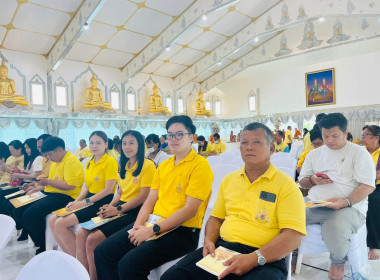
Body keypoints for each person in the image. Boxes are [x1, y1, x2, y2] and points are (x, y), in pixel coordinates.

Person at [162, 122, 306, 280]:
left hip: (264, 256)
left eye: (256, 142)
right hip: (223, 250)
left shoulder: (287, 186)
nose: (249, 147)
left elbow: (292, 237)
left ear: (271, 149)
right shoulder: (229, 180)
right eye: (244, 142)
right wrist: (209, 240)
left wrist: (253, 259)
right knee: (172, 277)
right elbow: (216, 218)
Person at [94, 115, 213, 280]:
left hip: (182, 230)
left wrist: (151, 231)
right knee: (103, 251)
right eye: (170, 134)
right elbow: (150, 201)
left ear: (191, 137)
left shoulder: (201, 166)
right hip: (153, 221)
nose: (173, 139)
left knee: (128, 265)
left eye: (179, 134)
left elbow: (190, 211)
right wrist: (137, 226)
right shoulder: (164, 166)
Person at [298, 113, 376, 280]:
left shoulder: (359, 153)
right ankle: (292, 256)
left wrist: (345, 201)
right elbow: (302, 182)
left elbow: (367, 186)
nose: (329, 140)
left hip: (351, 207)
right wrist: (312, 180)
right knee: (288, 219)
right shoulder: (314, 154)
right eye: (325, 136)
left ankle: (337, 263)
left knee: (336, 226)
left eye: (335, 135)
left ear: (345, 132)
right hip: (316, 204)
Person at [76, 130, 156, 280]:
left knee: (93, 239)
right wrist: (109, 206)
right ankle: (88, 275)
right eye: (124, 143)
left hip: (134, 211)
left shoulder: (148, 166)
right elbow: (119, 192)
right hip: (120, 207)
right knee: (82, 233)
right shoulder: (125, 165)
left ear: (140, 145)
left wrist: (118, 209)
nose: (127, 147)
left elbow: (143, 196)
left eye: (132, 143)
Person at [48, 132, 118, 257]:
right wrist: (76, 202)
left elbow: (108, 190)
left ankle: (77, 260)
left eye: (98, 143)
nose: (94, 146)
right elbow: (86, 187)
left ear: (106, 144)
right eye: (91, 143)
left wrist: (84, 202)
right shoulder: (90, 162)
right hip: (88, 199)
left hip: (102, 201)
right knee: (53, 219)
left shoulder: (110, 162)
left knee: (60, 223)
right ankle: (69, 256)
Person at [17, 137, 84, 254]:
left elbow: (70, 186)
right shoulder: (56, 161)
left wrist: (47, 182)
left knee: (30, 215)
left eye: (50, 154)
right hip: (52, 192)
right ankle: (40, 242)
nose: (49, 158)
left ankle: (43, 245)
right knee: (20, 209)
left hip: (66, 196)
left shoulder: (71, 161)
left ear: (59, 150)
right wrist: (36, 187)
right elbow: (50, 181)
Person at [361, 125, 380, 260]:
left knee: (373, 202)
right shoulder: (361, 151)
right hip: (362, 184)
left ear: (376, 138)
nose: (362, 138)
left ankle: (374, 245)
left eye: (365, 135)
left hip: (377, 186)